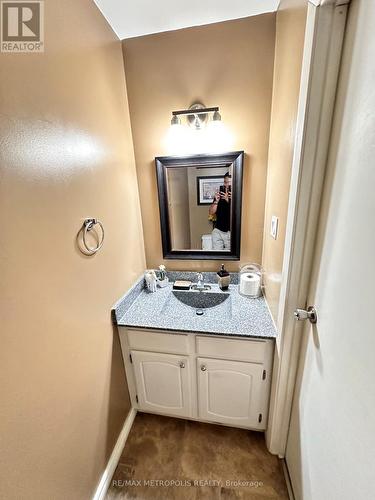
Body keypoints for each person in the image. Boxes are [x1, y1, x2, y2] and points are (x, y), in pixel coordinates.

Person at [209, 172, 231, 250]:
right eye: (225, 182)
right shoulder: (219, 196)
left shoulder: (238, 195)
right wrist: (216, 201)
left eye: (228, 182)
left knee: (230, 258)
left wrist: (228, 200)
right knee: (217, 256)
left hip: (230, 232)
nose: (226, 185)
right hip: (217, 230)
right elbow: (211, 212)